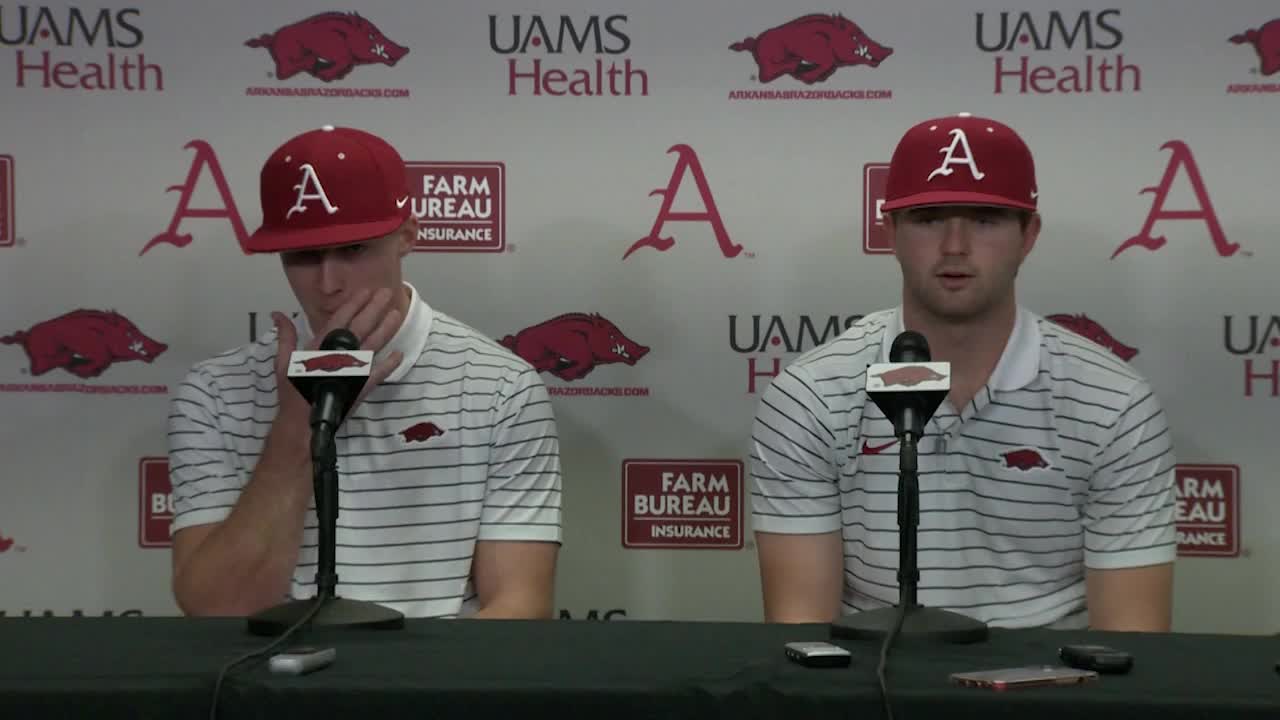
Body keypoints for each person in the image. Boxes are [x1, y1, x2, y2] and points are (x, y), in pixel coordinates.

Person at [749, 112, 1175, 631]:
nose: (955, 245)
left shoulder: (1113, 402)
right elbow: (804, 638)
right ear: (890, 232)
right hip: (873, 692)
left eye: (985, 218)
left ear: (1029, 235)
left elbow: (1130, 643)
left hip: (1054, 693)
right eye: (929, 219)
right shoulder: (810, 397)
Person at [167, 125, 562, 619]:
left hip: (434, 689)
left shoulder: (501, 386)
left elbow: (520, 605)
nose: (329, 284)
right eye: (305, 256)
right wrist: (296, 424)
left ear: (407, 236)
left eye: (354, 249)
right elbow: (217, 610)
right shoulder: (214, 392)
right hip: (275, 688)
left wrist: (405, 693)